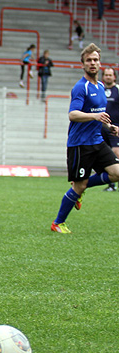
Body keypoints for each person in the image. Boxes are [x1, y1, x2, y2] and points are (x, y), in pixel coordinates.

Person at [51, 44, 119, 234]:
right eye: (89, 60)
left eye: (95, 60)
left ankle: (83, 186)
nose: (93, 63)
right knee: (79, 186)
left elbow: (99, 116)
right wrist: (95, 116)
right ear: (83, 64)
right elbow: (73, 114)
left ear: (100, 63)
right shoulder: (81, 87)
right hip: (80, 144)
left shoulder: (100, 87)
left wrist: (110, 127)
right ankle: (58, 223)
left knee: (116, 173)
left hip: (97, 140)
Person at [101, 67, 119, 191]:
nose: (108, 77)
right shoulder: (100, 89)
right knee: (105, 155)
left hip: (115, 127)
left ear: (114, 77)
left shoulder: (117, 90)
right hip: (101, 127)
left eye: (110, 75)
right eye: (106, 75)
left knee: (116, 153)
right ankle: (111, 184)